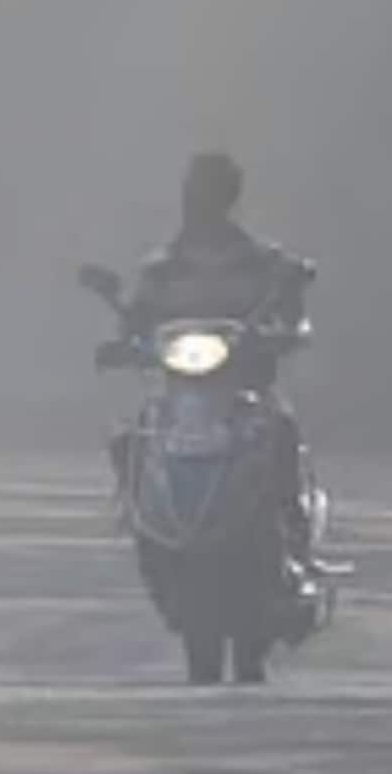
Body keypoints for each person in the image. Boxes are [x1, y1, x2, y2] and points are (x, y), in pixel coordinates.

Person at [125, 153, 314, 556]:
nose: (200, 203)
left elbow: (293, 313)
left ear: (229, 198)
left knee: (280, 428)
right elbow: (138, 318)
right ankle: (140, 519)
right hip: (180, 391)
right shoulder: (162, 267)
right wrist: (126, 342)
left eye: (210, 193)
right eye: (195, 193)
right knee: (132, 435)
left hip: (244, 386)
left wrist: (285, 333)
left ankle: (293, 530)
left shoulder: (263, 262)